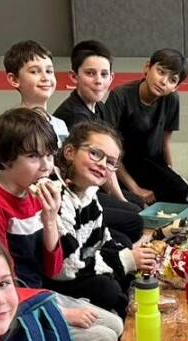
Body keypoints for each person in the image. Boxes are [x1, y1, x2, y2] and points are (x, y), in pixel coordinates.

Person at [50, 121, 159, 316]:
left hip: (80, 264)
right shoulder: (57, 196)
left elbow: (103, 239)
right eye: (95, 154)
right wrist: (125, 260)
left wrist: (130, 257)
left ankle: (121, 307)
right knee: (107, 288)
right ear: (69, 152)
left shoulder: (88, 194)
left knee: (124, 265)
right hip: (57, 280)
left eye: (110, 162)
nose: (102, 164)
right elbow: (67, 268)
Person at [52, 39, 144, 246]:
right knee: (133, 213)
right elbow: (93, 164)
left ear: (111, 77)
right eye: (90, 73)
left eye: (104, 74)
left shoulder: (99, 107)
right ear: (74, 76)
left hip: (92, 179)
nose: (98, 81)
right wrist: (120, 199)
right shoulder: (74, 115)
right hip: (76, 189)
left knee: (136, 203)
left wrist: (126, 194)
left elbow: (108, 156)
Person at [0, 108, 62, 291]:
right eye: (33, 156)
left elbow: (53, 270)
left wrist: (50, 221)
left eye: (49, 155)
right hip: (10, 296)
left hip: (38, 288)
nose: (46, 166)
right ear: (5, 159)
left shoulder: (36, 196)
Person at [102, 48, 188, 205]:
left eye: (172, 80)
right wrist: (135, 188)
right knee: (136, 206)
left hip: (151, 163)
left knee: (182, 192)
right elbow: (109, 153)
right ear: (147, 67)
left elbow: (165, 142)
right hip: (121, 165)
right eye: (161, 72)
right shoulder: (120, 97)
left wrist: (171, 173)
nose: (163, 81)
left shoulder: (172, 100)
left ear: (176, 87)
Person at [3, 40, 68, 146]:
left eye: (49, 71)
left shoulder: (60, 125)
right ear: (14, 79)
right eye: (34, 72)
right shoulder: (12, 128)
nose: (45, 78)